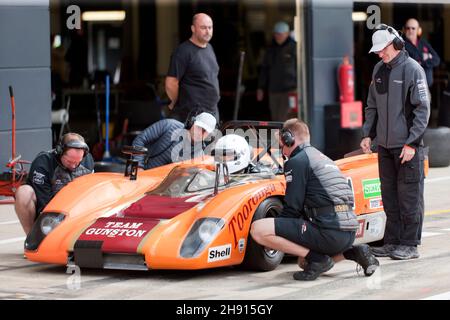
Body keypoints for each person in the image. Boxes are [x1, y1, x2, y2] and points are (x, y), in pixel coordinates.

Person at [250, 119, 379, 281]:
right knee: (304, 262)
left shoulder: (297, 162)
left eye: (282, 144)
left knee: (258, 229)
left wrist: (275, 237)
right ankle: (353, 252)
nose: (282, 149)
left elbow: (292, 208)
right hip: (349, 234)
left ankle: (319, 259)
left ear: (289, 139)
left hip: (329, 231)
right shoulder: (323, 158)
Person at [361, 24, 430, 260]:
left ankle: (410, 244)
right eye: (378, 51)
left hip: (407, 147)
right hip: (384, 147)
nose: (380, 54)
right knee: (389, 196)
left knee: (409, 196)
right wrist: (367, 134)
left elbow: (422, 111)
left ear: (397, 45)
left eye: (383, 49)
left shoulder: (414, 70)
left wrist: (412, 143)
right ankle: (392, 241)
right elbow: (372, 106)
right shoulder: (378, 70)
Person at [14, 133, 94, 235]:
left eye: (77, 162)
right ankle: (32, 239)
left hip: (78, 211)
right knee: (23, 192)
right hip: (50, 211)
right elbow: (44, 204)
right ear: (60, 151)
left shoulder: (88, 161)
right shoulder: (43, 163)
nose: (74, 166)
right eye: (69, 161)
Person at [165, 13, 220, 123]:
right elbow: (171, 83)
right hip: (192, 116)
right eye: (203, 27)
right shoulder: (183, 51)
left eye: (210, 27)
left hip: (212, 113)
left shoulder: (209, 48)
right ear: (193, 28)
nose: (208, 31)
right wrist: (177, 103)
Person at [132, 111, 217, 169]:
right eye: (199, 127)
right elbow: (140, 140)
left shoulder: (200, 155)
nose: (200, 132)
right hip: (143, 176)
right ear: (191, 123)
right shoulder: (169, 125)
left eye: (205, 131)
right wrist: (139, 167)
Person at [257, 21, 297, 121]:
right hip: (273, 90)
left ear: (287, 34)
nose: (278, 36)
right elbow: (264, 69)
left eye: (281, 34)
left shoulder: (294, 48)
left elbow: (300, 68)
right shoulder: (270, 49)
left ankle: (285, 136)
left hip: (290, 90)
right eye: (276, 34)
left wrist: (298, 87)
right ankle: (278, 136)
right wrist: (260, 87)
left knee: (285, 118)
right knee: (275, 118)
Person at [403, 18, 440, 88]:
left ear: (418, 30)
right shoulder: (402, 45)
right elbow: (411, 61)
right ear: (404, 30)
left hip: (426, 88)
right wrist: (427, 56)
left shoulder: (424, 43)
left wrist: (421, 62)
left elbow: (437, 59)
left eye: (413, 28)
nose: (410, 30)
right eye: (408, 28)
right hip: (411, 88)